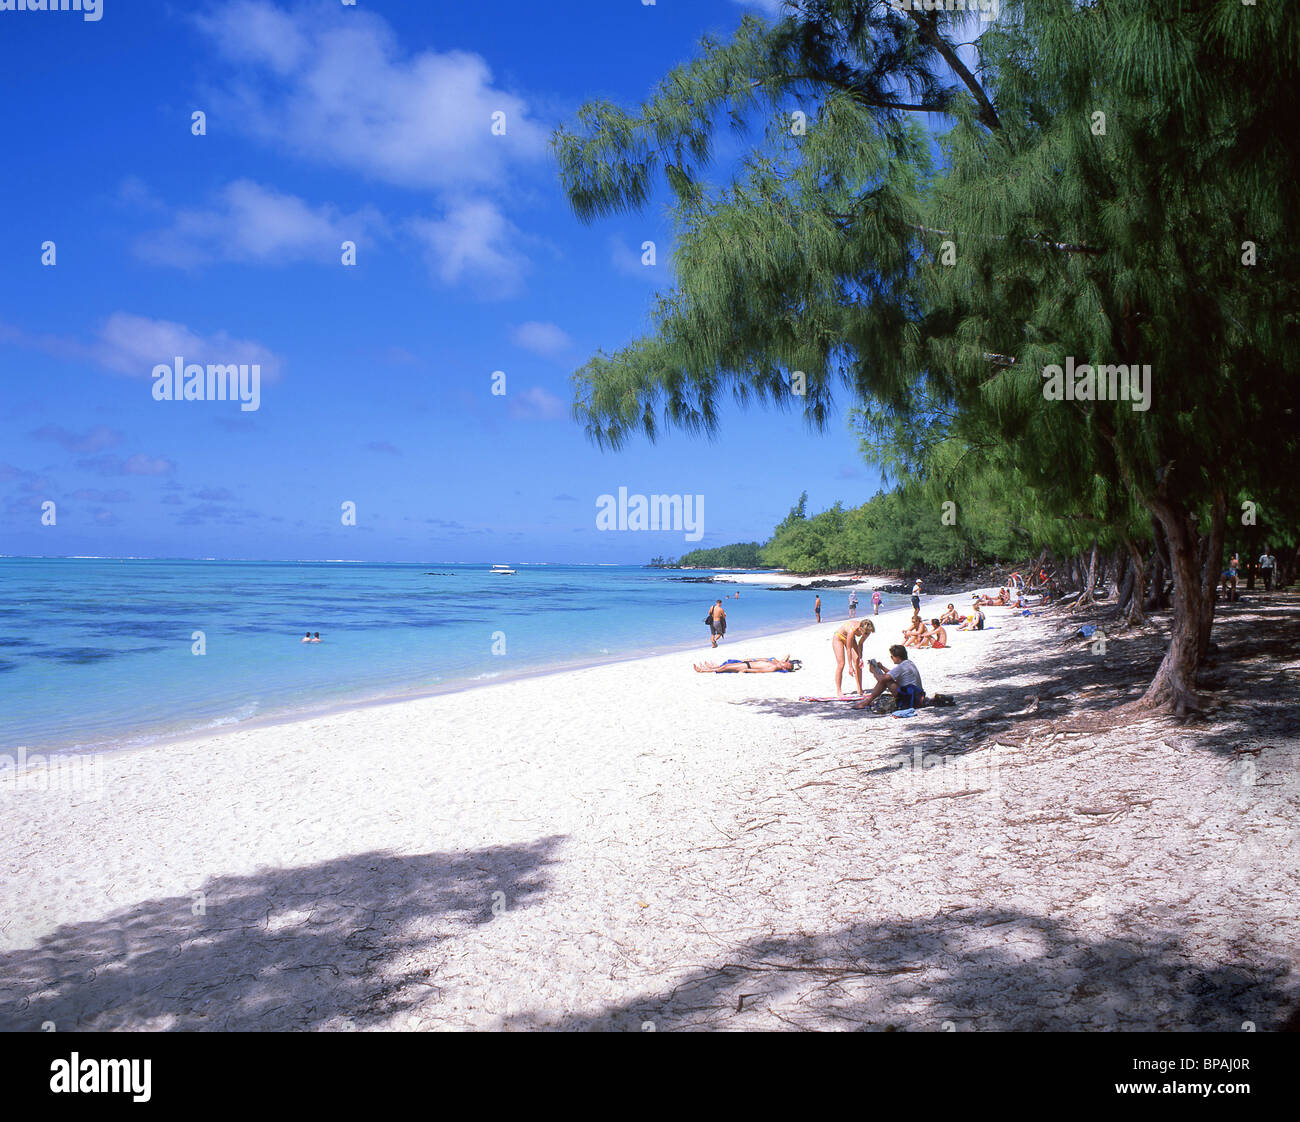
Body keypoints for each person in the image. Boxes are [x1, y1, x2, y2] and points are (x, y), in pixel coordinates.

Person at [854, 645, 925, 711]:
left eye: (892, 656)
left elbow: (882, 679)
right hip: (917, 695)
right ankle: (867, 701)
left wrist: (874, 672)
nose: (891, 658)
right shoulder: (909, 663)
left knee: (886, 681)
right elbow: (894, 674)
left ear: (897, 657)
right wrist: (882, 667)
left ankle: (867, 701)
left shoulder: (901, 667)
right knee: (887, 679)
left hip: (911, 698)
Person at [831, 619, 874, 697]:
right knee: (841, 664)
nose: (865, 635)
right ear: (860, 629)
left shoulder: (867, 629)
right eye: (864, 633)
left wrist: (861, 658)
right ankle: (839, 691)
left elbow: (860, 644)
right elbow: (848, 648)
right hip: (839, 638)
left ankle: (860, 689)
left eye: (867, 633)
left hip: (851, 639)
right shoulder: (852, 630)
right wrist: (850, 666)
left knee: (858, 663)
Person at [694, 656, 800, 673]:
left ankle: (703, 670)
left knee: (725, 667)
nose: (786, 662)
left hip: (746, 666)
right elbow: (787, 655)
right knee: (725, 665)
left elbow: (759, 671)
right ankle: (710, 667)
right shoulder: (776, 663)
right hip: (748, 662)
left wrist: (746, 670)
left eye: (787, 664)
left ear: (784, 668)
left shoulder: (773, 667)